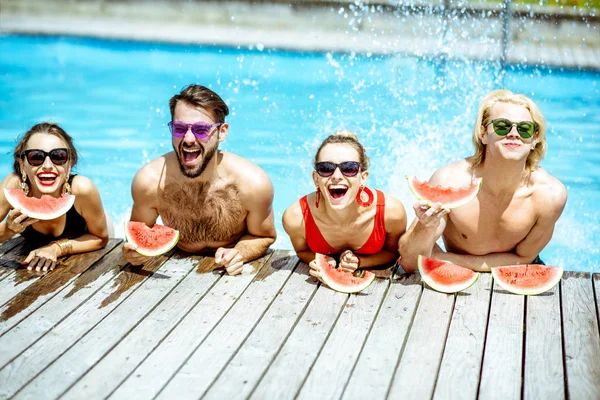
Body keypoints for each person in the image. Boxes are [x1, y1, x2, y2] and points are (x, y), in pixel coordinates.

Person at [398, 90, 567, 273]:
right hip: (454, 280)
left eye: (524, 129)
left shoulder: (550, 195)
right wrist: (425, 227)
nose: (513, 134)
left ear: (534, 139)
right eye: (502, 126)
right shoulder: (449, 181)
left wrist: (444, 258)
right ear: (483, 133)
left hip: (514, 274)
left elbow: (524, 258)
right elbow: (409, 262)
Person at [123, 84, 276, 275]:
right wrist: (134, 253)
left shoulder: (253, 184)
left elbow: (263, 236)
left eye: (201, 130)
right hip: (173, 276)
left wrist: (238, 253)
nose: (188, 139)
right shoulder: (149, 182)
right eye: (179, 128)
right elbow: (138, 236)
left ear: (222, 132)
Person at [283, 131, 407, 280]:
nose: (336, 176)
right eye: (326, 168)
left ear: (363, 177)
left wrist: (360, 262)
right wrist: (323, 261)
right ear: (316, 178)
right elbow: (302, 252)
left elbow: (393, 253)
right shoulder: (296, 218)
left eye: (349, 168)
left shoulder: (391, 212)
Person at [0, 122, 110, 272]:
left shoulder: (82, 190)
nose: (47, 165)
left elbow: (100, 238)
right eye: (36, 157)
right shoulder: (13, 185)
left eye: (58, 156)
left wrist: (56, 248)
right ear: (22, 164)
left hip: (91, 228)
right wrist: (8, 230)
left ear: (69, 163)